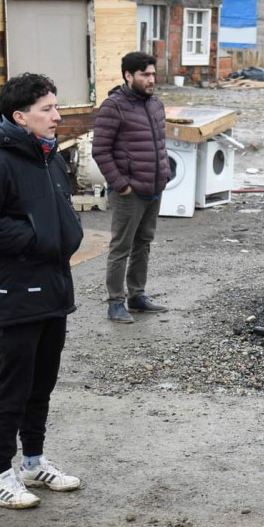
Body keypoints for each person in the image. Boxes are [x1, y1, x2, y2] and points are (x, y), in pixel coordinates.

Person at [0, 73, 84, 509]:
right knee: (12, 388)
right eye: (47, 109)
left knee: (42, 383)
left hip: (54, 289)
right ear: (20, 116)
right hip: (15, 294)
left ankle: (33, 462)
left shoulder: (48, 157)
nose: (57, 115)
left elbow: (58, 214)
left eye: (56, 106)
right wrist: (33, 239)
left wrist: (59, 235)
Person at [92, 51, 170, 324]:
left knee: (143, 243)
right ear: (128, 76)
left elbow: (159, 145)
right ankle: (116, 303)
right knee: (121, 247)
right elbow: (100, 150)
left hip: (154, 188)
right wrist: (121, 185)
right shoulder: (114, 106)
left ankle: (137, 295)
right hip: (130, 192)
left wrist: (165, 174)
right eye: (145, 75)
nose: (152, 80)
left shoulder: (156, 105)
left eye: (153, 74)